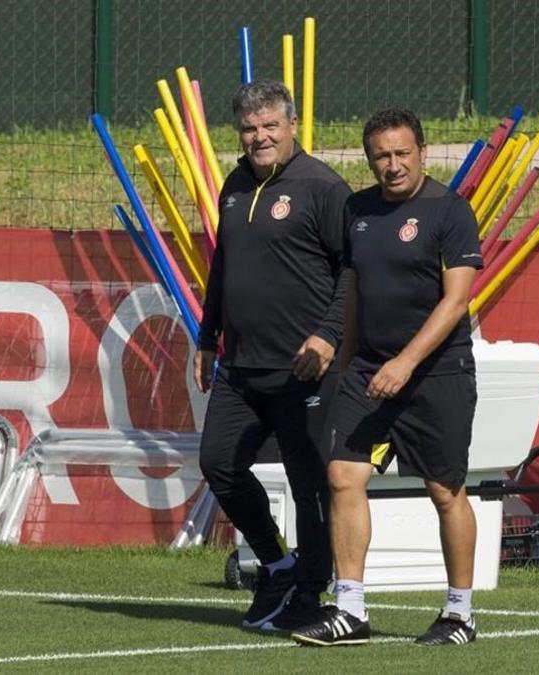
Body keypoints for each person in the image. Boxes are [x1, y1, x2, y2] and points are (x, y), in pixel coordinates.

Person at [291, 108, 483, 647]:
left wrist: (407, 362)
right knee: (343, 476)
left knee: (445, 491)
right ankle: (350, 609)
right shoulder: (358, 209)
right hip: (368, 370)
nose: (392, 165)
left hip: (437, 372)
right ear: (369, 158)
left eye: (402, 153)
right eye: (381, 156)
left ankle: (459, 613)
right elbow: (353, 290)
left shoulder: (450, 211)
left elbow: (457, 301)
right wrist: (348, 361)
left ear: (423, 151)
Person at [195, 79, 351, 632]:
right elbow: (223, 266)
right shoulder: (234, 185)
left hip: (303, 368)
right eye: (249, 128)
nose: (259, 137)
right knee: (217, 461)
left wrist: (329, 336)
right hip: (239, 364)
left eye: (270, 126)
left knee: (308, 480)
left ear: (291, 128)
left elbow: (351, 272)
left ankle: (312, 589)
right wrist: (204, 334)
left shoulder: (323, 187)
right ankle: (278, 565)